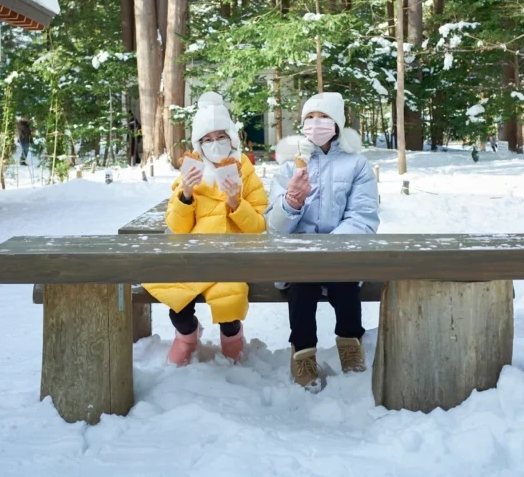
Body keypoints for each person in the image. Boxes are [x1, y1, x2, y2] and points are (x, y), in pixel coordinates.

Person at [143, 92, 268, 366]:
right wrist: (186, 194)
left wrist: (236, 203)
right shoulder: (192, 170)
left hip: (232, 254)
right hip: (194, 254)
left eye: (220, 137)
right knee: (176, 302)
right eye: (207, 139)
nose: (215, 144)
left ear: (231, 138)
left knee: (229, 303)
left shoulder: (245, 170)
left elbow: (259, 225)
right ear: (198, 143)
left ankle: (232, 339)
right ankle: (187, 336)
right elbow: (176, 227)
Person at [266, 92, 379, 390]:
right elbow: (274, 228)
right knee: (301, 289)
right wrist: (291, 202)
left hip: (341, 252)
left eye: (324, 117)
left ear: (337, 123)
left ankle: (350, 342)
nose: (316, 124)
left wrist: (330, 249)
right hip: (299, 255)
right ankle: (302, 352)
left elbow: (363, 217)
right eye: (310, 118)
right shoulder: (290, 166)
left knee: (345, 285)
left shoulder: (357, 165)